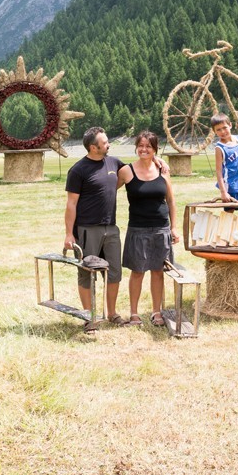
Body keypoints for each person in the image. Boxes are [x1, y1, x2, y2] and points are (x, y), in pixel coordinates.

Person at [64, 127, 127, 331]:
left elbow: (134, 170)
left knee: (114, 272)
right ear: (93, 147)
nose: (109, 144)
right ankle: (89, 317)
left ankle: (112, 313)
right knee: (87, 273)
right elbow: (71, 204)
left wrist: (158, 162)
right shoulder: (78, 170)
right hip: (86, 229)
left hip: (111, 228)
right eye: (105, 142)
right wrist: (69, 234)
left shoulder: (114, 162)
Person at [117, 130, 179, 327]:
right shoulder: (126, 171)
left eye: (149, 146)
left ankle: (156, 312)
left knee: (158, 271)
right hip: (138, 229)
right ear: (136, 147)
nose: (144, 149)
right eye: (141, 146)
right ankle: (134, 313)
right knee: (137, 272)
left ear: (155, 149)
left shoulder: (163, 170)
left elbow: (171, 201)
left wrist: (174, 228)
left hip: (161, 228)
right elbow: (107, 190)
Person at [211, 113, 238, 213]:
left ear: (230, 125)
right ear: (214, 131)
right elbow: (218, 172)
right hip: (229, 187)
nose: (222, 132)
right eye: (218, 130)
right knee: (229, 214)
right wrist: (223, 192)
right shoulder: (220, 148)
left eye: (224, 128)